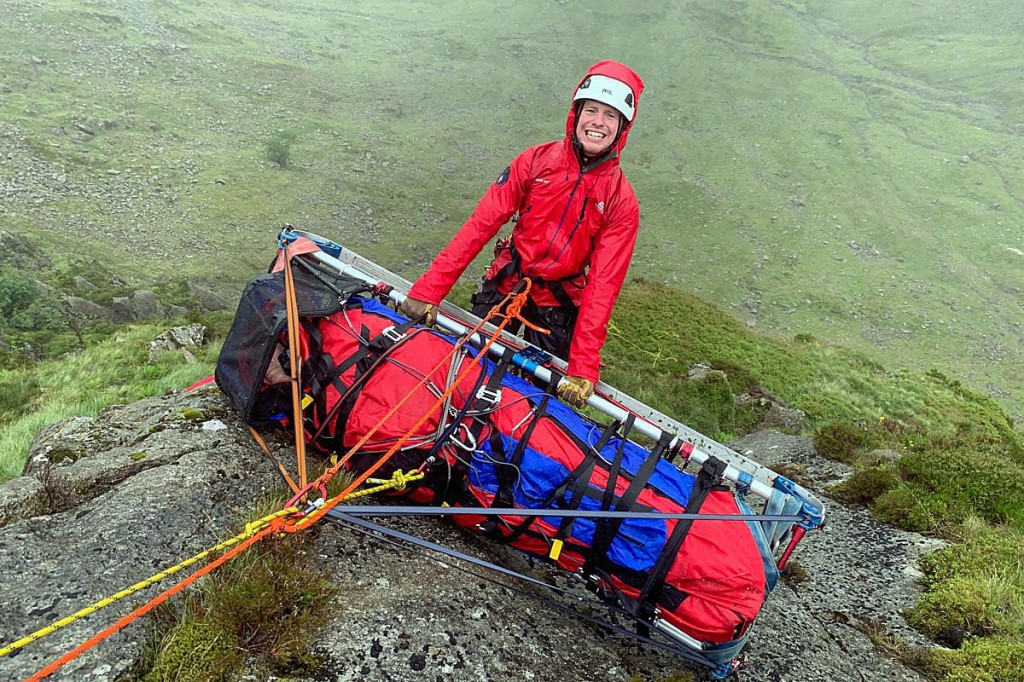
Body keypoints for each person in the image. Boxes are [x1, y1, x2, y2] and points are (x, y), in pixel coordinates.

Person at [401, 60, 644, 408]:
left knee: (530, 406)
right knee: (458, 376)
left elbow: (604, 284)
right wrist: (428, 290)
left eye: (610, 116)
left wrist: (583, 367)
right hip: (506, 285)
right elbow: (479, 226)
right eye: (591, 111)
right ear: (575, 114)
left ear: (622, 129)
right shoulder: (534, 161)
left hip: (556, 309)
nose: (598, 123)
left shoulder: (622, 202)